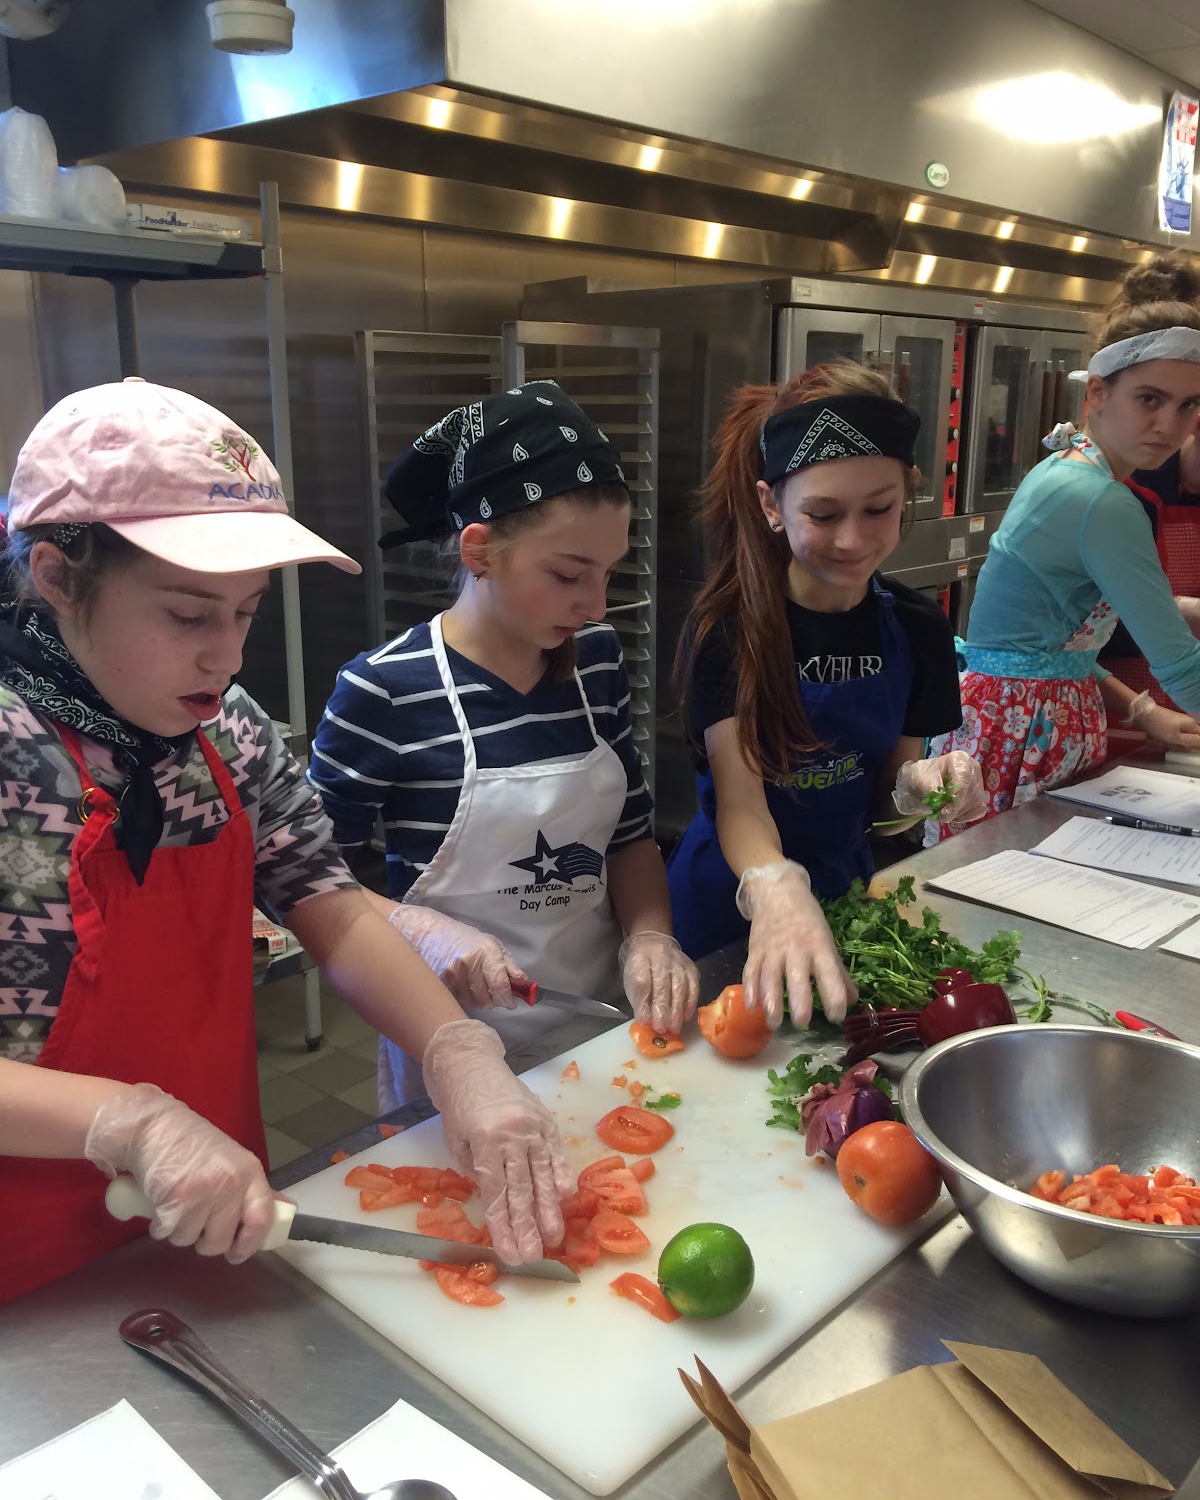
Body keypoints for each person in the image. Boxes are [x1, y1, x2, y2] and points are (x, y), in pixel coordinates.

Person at [0, 379, 571, 1304]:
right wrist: (128, 1121)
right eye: (188, 615)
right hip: (21, 1250)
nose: (226, 656)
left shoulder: (231, 733)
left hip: (214, 1207)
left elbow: (331, 908)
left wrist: (456, 1052)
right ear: (59, 578)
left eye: (246, 612)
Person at [308, 382, 697, 1108]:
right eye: (569, 574)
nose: (596, 604)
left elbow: (630, 837)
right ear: (480, 551)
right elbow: (301, 883)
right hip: (453, 1046)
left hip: (601, 1025)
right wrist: (422, 932)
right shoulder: (384, 690)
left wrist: (651, 937)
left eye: (609, 572)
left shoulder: (597, 662)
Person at [667, 363, 985, 1031]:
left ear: (908, 490)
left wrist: (917, 790)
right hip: (731, 898)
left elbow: (885, 810)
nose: (853, 539)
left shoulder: (918, 628)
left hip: (846, 896)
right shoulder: (729, 629)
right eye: (823, 513)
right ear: (770, 505)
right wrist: (775, 886)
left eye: (879, 509)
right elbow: (741, 804)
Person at [931, 254, 1200, 825]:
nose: (1169, 426)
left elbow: (1043, 648)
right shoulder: (1100, 499)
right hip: (1022, 731)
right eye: (1149, 399)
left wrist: (1141, 709)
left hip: (1027, 719)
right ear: (1098, 392)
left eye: (1189, 406)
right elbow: (1181, 664)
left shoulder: (1071, 467)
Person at [1099, 430, 1200, 706]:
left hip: (1185, 692)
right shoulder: (1119, 488)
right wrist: (1173, 612)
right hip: (1110, 694)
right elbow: (1073, 626)